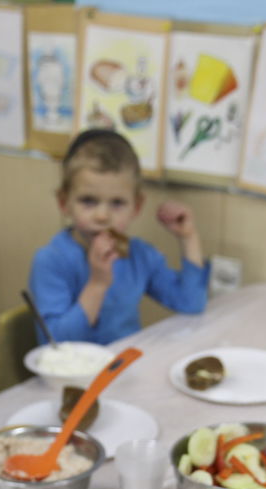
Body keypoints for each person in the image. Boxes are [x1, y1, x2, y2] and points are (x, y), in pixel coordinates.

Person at [28, 128, 208, 345]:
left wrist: (188, 237)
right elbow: (56, 344)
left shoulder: (139, 255)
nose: (103, 216)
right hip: (74, 375)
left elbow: (191, 303)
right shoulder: (51, 261)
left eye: (117, 203)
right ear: (64, 202)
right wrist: (97, 284)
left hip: (123, 368)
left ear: (136, 206)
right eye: (88, 201)